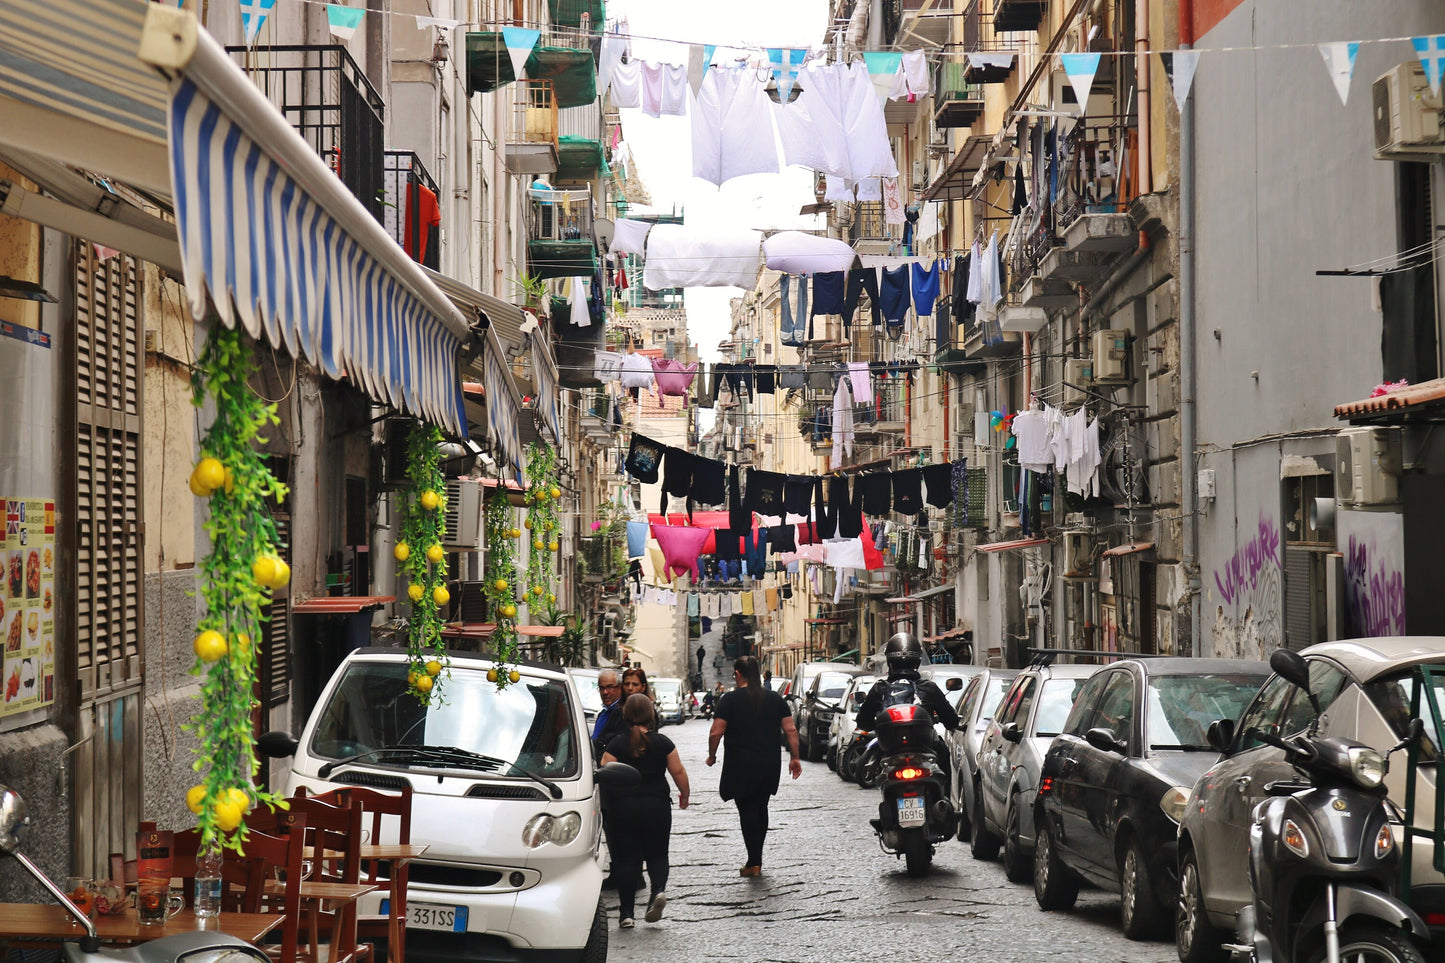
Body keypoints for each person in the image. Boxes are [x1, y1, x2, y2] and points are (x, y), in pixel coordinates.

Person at [706, 656, 801, 877]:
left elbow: (716, 732)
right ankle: (755, 860)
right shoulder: (775, 699)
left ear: (738, 674)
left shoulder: (729, 701)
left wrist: (711, 755)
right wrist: (795, 758)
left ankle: (754, 862)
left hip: (740, 764)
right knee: (761, 807)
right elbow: (791, 731)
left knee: (747, 810)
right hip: (768, 763)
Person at [601, 694, 690, 928]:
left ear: (625, 715)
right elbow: (678, 771)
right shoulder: (663, 743)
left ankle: (626, 914)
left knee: (627, 859)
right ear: (651, 715)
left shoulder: (616, 744)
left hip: (624, 808)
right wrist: (685, 794)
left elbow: (604, 771)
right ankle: (657, 892)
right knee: (658, 854)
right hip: (656, 806)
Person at [855, 632, 960, 782]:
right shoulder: (929, 688)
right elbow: (951, 720)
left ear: (890, 662)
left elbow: (863, 722)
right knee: (943, 754)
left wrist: (876, 724)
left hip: (890, 753)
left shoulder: (880, 688)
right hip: (925, 749)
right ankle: (944, 800)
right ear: (917, 662)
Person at [592, 668, 626, 761]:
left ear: (619, 688)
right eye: (601, 688)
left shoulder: (623, 714)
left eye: (609, 687)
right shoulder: (602, 714)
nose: (605, 692)